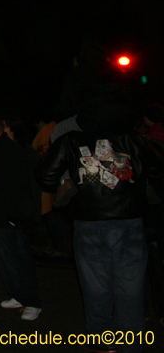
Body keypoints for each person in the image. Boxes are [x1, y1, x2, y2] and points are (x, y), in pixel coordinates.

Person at [37, 103, 160, 353]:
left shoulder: (72, 140)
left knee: (96, 287)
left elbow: (45, 176)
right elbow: (157, 172)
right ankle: (131, 345)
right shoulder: (134, 139)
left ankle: (101, 343)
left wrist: (73, 180)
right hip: (129, 222)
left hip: (90, 222)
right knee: (131, 290)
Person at [0, 117, 42, 320]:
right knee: (3, 259)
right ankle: (18, 295)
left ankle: (32, 301)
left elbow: (16, 186)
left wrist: (15, 215)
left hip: (9, 216)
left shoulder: (9, 151)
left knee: (17, 259)